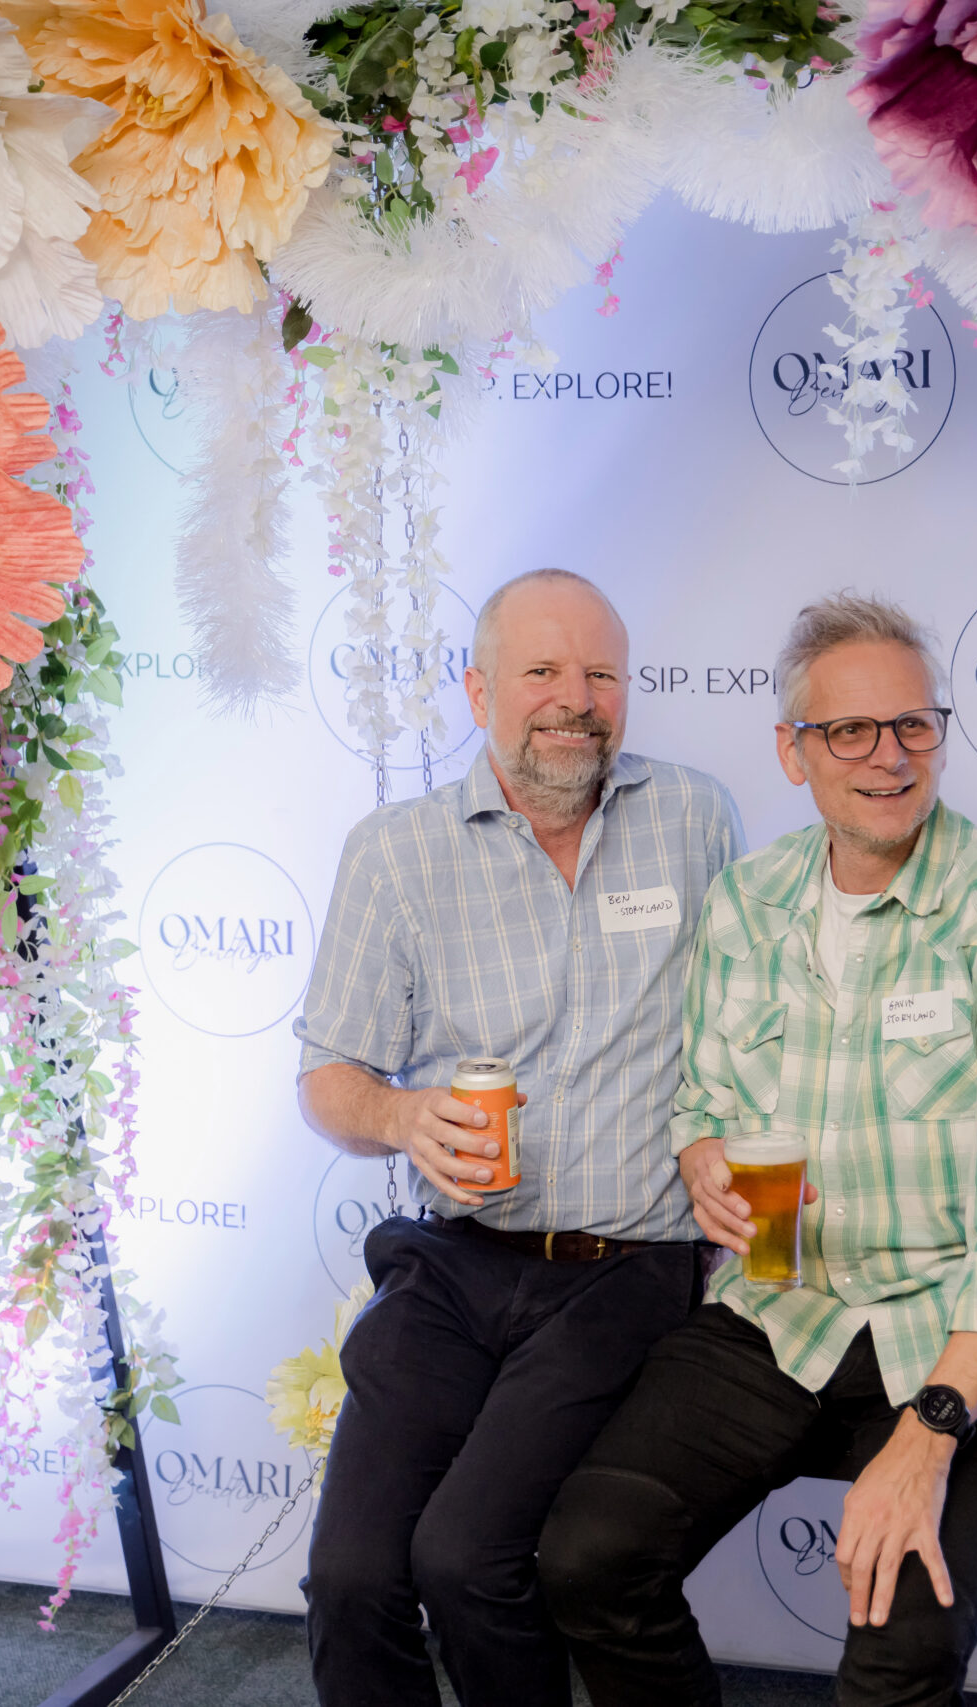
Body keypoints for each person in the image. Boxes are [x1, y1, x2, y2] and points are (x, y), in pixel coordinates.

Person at [539, 592, 977, 1707]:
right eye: (849, 731)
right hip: (781, 1310)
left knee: (896, 1658)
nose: (889, 756)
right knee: (589, 1558)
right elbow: (703, 1098)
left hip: (957, 1341)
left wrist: (926, 1438)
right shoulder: (748, 902)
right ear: (793, 752)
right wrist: (701, 1151)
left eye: (913, 724)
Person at [294, 567, 745, 1707]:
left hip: (625, 1268)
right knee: (351, 1575)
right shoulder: (395, 851)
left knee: (467, 1560)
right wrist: (401, 1115)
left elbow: (752, 1027)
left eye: (601, 674)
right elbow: (328, 1081)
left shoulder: (695, 819)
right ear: (477, 689)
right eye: (541, 670)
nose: (574, 699)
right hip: (454, 1263)